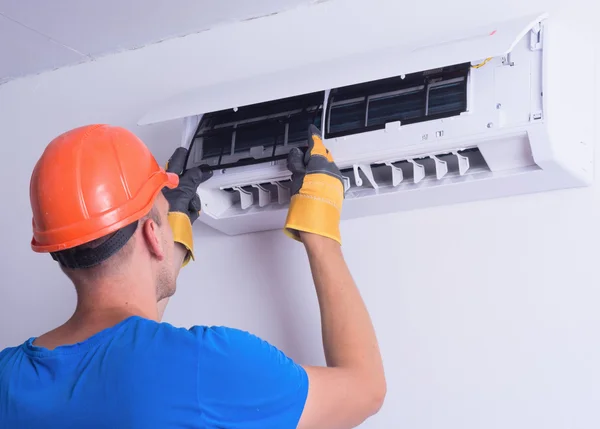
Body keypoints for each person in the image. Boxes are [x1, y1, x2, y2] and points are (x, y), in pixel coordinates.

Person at [0, 124, 386, 428]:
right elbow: (365, 389)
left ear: (61, 256)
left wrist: (172, 247)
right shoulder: (208, 366)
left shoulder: (7, 379)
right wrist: (319, 230)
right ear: (153, 236)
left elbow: (126, 367)